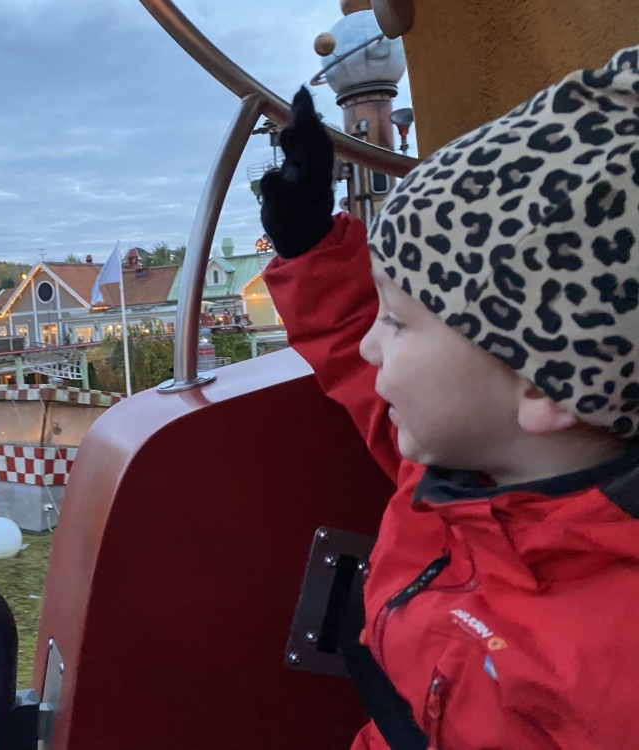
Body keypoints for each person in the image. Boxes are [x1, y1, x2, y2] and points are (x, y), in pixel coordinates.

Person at [260, 47, 639, 750]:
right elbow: (380, 377)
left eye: (397, 322)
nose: (370, 347)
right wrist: (310, 246)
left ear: (540, 382)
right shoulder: (462, 463)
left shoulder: (615, 669)